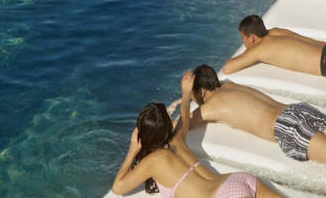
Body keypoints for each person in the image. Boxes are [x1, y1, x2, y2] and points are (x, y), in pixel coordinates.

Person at [112, 100, 282, 198]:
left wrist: (132, 150)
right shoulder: (178, 138)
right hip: (238, 180)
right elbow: (185, 116)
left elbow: (118, 188)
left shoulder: (152, 162)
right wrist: (185, 93)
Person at [182, 63, 326, 164]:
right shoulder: (228, 85)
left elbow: (182, 125)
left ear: (201, 92)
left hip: (286, 126)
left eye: (193, 96)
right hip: (299, 110)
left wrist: (185, 94)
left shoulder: (211, 107)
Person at [225, 15, 326, 81]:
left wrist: (248, 51)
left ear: (252, 38)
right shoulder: (276, 31)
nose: (242, 41)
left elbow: (227, 68)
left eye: (243, 38)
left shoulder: (260, 49)